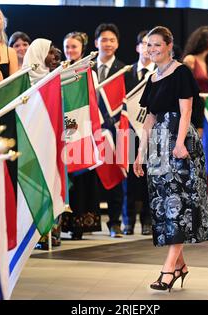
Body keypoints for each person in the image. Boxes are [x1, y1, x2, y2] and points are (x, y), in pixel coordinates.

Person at [133, 26, 208, 291]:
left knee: (178, 204)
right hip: (157, 144)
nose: (152, 49)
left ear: (169, 45)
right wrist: (140, 153)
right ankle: (180, 266)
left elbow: (186, 110)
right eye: (148, 45)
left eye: (157, 44)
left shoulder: (181, 72)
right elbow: (150, 118)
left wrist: (179, 143)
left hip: (179, 142)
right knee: (163, 206)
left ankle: (167, 270)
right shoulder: (153, 77)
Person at [183, 26, 208, 224]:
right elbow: (185, 91)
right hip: (195, 116)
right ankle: (194, 208)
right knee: (195, 161)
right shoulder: (190, 60)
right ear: (205, 41)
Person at [62, 31, 101, 240]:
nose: (70, 51)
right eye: (67, 47)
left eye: (74, 47)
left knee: (83, 177)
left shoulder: (89, 72)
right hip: (65, 129)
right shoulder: (59, 70)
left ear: (82, 49)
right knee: (67, 176)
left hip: (83, 128)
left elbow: (92, 103)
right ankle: (65, 223)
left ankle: (79, 225)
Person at [93, 23, 126, 238]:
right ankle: (86, 222)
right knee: (91, 177)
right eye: (103, 39)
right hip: (91, 131)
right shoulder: (86, 70)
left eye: (112, 40)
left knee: (116, 175)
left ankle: (115, 223)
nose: (107, 44)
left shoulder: (125, 70)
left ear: (118, 44)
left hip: (116, 132)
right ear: (96, 43)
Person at [123, 30, 155, 235]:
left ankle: (147, 220)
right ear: (137, 47)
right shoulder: (125, 73)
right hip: (127, 132)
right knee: (128, 179)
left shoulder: (161, 73)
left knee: (149, 176)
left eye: (153, 44)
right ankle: (127, 221)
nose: (148, 48)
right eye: (144, 44)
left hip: (152, 131)